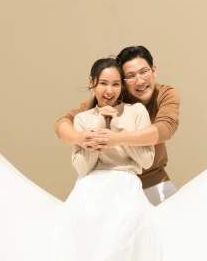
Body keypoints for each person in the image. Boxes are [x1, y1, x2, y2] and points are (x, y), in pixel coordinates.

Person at [50, 57, 161, 261]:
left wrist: (117, 127)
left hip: (126, 187)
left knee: (119, 250)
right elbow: (83, 168)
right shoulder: (83, 119)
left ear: (122, 87)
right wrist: (101, 123)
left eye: (116, 84)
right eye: (103, 83)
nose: (109, 91)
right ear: (92, 82)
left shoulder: (136, 111)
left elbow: (146, 161)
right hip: (89, 191)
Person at [54, 46, 180, 205]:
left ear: (153, 70)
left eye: (144, 72)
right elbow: (63, 123)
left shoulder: (164, 95)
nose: (139, 81)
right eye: (130, 76)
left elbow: (165, 128)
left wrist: (118, 137)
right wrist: (81, 138)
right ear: (124, 82)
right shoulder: (111, 96)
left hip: (152, 179)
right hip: (107, 185)